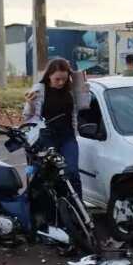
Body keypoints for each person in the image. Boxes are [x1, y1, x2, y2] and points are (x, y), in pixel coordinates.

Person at [23, 58, 83, 197]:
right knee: (47, 175)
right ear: (49, 75)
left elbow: (78, 110)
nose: (61, 82)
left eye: (64, 79)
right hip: (46, 137)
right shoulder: (39, 89)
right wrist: (30, 104)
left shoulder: (70, 89)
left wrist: (83, 88)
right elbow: (27, 116)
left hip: (67, 136)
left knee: (72, 172)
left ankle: (78, 210)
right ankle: (49, 209)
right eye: (57, 79)